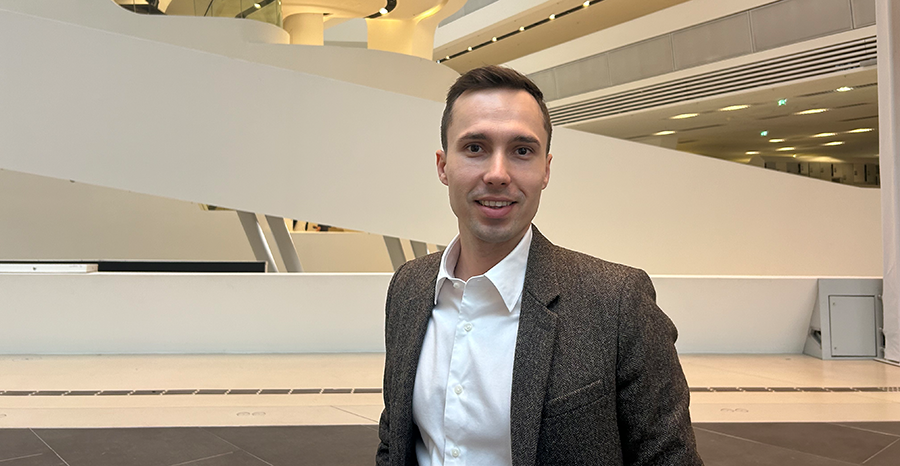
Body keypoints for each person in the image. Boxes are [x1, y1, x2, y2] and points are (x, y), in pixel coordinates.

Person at [376, 65, 703, 466]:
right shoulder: (409, 287)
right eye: (475, 148)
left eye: (522, 151)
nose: (497, 174)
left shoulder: (617, 303)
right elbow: (394, 440)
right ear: (443, 166)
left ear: (545, 169)